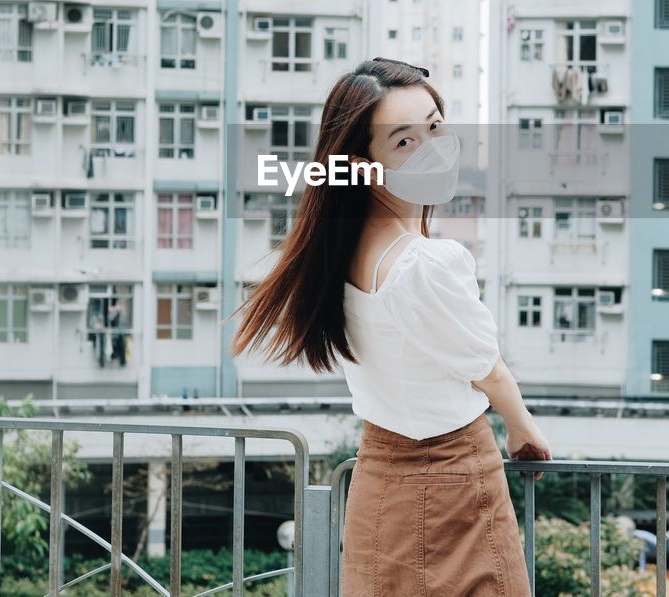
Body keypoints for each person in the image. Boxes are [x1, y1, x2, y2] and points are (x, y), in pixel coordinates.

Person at [229, 58, 549, 596]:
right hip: (453, 478)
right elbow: (488, 371)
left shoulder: (337, 252)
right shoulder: (422, 262)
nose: (433, 145)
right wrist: (523, 429)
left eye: (436, 124)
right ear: (363, 165)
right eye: (405, 142)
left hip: (379, 478)